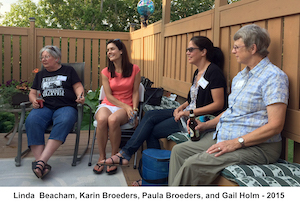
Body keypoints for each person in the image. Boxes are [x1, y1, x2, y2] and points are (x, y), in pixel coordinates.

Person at [168, 24, 289, 186]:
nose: (232, 51)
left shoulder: (273, 77)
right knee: (179, 151)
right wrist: (205, 125)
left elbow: (275, 126)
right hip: (226, 136)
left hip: (257, 146)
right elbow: (232, 111)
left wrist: (236, 142)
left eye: (236, 47)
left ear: (252, 48)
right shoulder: (241, 77)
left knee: (193, 165)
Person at [100, 36, 228, 185]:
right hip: (187, 113)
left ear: (203, 52)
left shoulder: (214, 72)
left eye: (190, 49)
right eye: (187, 49)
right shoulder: (198, 72)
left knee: (152, 130)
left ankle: (138, 164)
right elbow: (191, 100)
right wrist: (181, 107)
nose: (187, 52)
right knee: (150, 115)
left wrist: (188, 113)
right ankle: (138, 163)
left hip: (197, 120)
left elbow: (219, 104)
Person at [26, 45, 85, 179]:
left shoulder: (68, 70)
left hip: (66, 106)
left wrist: (80, 96)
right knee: (31, 121)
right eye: (42, 57)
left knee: (64, 120)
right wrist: (34, 100)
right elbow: (33, 92)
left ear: (57, 58)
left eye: (47, 57)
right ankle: (42, 164)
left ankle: (40, 162)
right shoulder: (40, 74)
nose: (43, 60)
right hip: (45, 107)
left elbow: (77, 86)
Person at [92, 39, 141, 175]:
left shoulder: (134, 69)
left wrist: (134, 110)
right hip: (109, 104)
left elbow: (136, 91)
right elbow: (109, 95)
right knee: (102, 120)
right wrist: (125, 106)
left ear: (121, 51)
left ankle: (114, 157)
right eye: (108, 50)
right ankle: (102, 156)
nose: (109, 52)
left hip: (126, 107)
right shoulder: (106, 72)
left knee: (113, 120)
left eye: (112, 49)